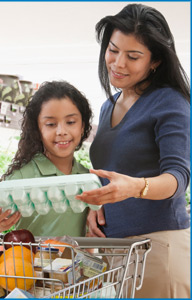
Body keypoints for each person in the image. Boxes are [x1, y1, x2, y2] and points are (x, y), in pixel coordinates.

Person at [76, 3, 190, 298]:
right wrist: (98, 204)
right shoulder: (108, 106)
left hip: (157, 248)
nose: (118, 63)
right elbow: (113, 172)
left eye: (133, 56)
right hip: (115, 252)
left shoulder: (170, 101)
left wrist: (134, 188)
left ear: (155, 62)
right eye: (113, 50)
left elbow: (178, 178)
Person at [2, 80, 93, 237]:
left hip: (74, 261)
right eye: (51, 124)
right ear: (38, 129)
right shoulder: (22, 176)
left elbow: (87, 238)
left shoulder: (87, 179)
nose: (61, 131)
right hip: (30, 261)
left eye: (70, 122)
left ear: (83, 126)